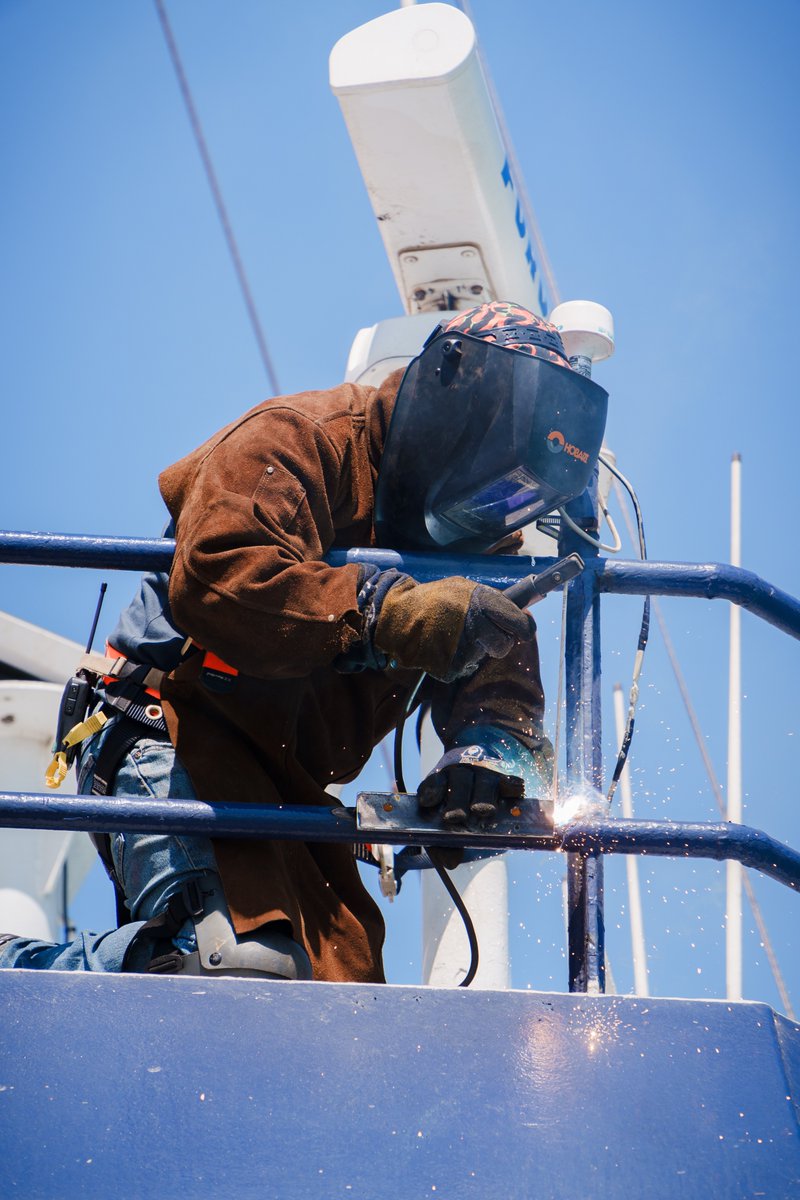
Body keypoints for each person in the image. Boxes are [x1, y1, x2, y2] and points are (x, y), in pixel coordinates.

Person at [0, 301, 595, 982]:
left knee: (336, 1022)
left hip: (292, 792)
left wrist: (484, 759)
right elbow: (220, 573)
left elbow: (504, 702)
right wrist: (384, 611)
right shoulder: (302, 438)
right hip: (171, 729)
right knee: (230, 967)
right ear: (447, 397)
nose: (488, 506)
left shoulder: (482, 545)